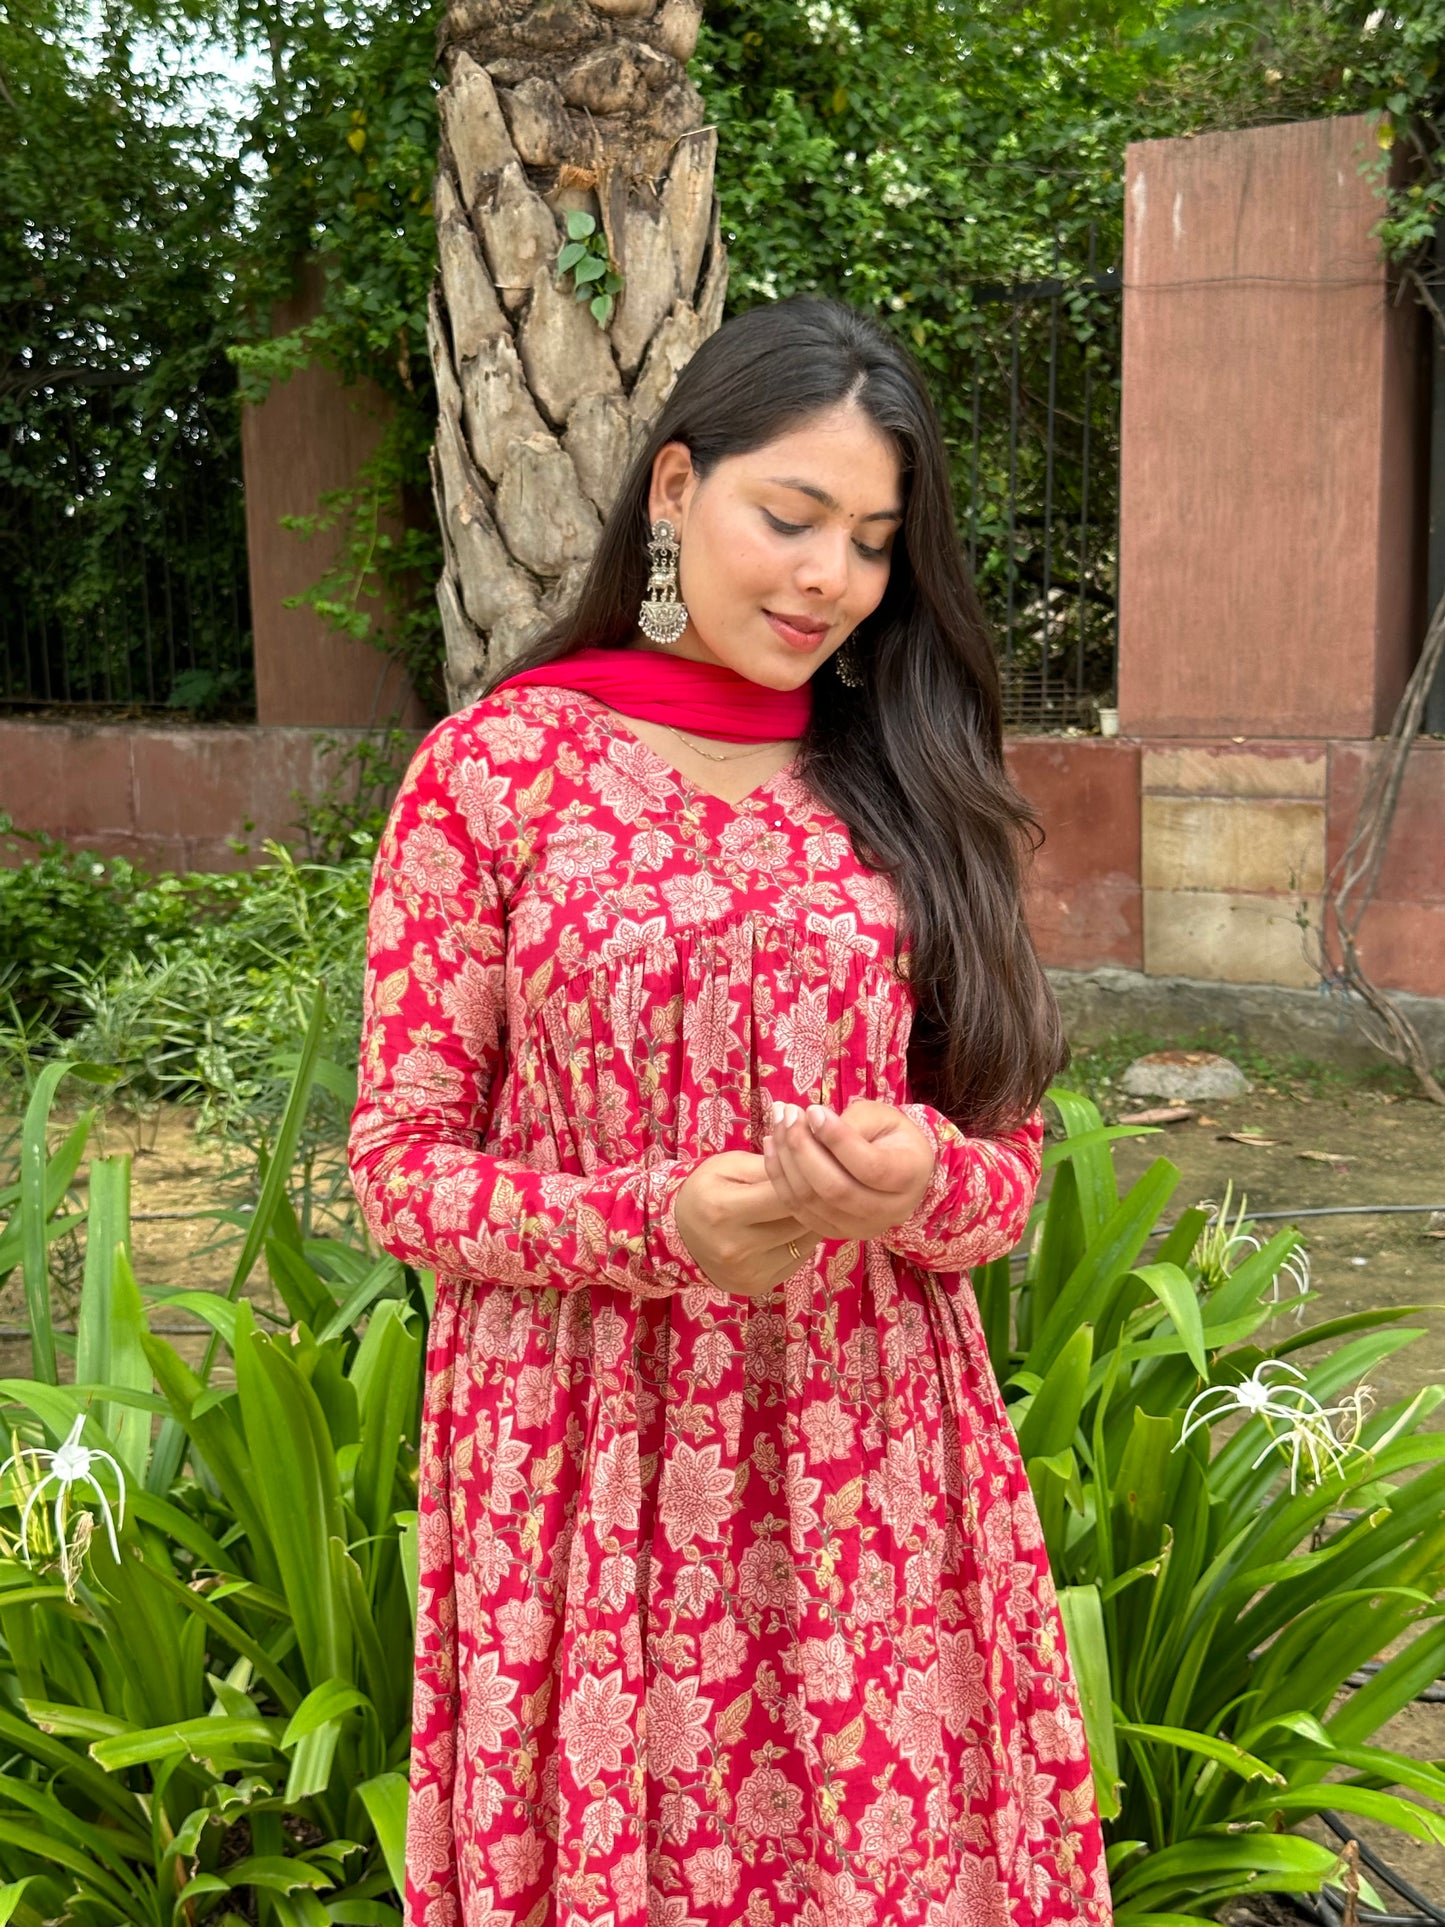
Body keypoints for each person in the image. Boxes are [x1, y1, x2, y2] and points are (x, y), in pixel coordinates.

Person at [348, 295, 1113, 1927]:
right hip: (578, 1460)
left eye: (873, 540)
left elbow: (1008, 1169)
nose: (828, 576)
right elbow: (402, 1168)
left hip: (864, 1459)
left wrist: (915, 1180)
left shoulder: (914, 772)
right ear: (674, 488)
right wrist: (654, 1225)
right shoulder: (499, 772)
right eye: (791, 515)